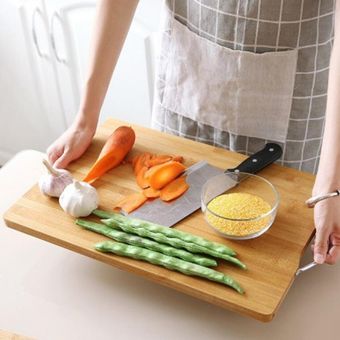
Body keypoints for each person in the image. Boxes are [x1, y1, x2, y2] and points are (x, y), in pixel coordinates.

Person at [47, 0, 340, 265]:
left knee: (275, 255)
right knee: (165, 244)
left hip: (293, 101)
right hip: (189, 80)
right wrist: (86, 118)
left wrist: (331, 187)